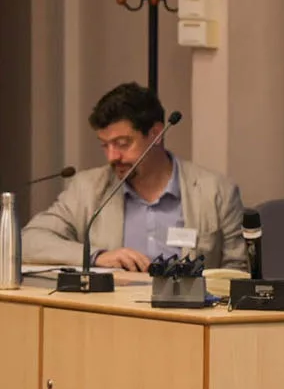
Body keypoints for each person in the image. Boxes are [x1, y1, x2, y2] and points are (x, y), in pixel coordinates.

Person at [22, 82, 246, 271]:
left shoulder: (216, 192)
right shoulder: (87, 189)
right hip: (110, 308)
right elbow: (29, 241)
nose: (112, 156)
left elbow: (239, 273)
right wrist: (97, 256)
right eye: (105, 145)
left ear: (156, 134)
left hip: (190, 309)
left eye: (122, 143)